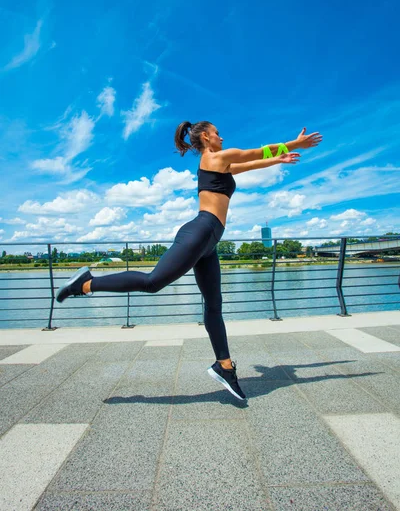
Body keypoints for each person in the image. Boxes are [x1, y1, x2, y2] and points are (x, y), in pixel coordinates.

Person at [56, 121, 322, 400]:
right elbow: (256, 152)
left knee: (214, 306)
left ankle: (224, 365)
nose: (222, 135)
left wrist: (277, 161)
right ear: (206, 137)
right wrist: (293, 144)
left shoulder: (221, 163)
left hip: (209, 241)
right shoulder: (217, 156)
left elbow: (249, 164)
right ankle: (86, 284)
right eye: (218, 132)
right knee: (153, 282)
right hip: (201, 231)